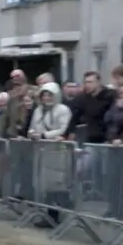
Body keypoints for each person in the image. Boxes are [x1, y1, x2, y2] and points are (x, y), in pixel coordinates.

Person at [27, 82, 73, 227]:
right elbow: (33, 126)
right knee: (45, 185)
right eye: (44, 95)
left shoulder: (63, 109)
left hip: (58, 151)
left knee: (57, 184)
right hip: (42, 152)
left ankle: (57, 215)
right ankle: (47, 215)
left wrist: (45, 135)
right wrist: (32, 134)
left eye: (49, 95)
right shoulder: (38, 110)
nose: (47, 98)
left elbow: (63, 128)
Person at [62, 71, 117, 143]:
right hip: (92, 136)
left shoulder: (111, 95)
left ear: (98, 82)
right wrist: (67, 133)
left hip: (108, 136)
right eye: (85, 82)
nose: (87, 85)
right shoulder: (82, 98)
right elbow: (74, 117)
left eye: (90, 82)